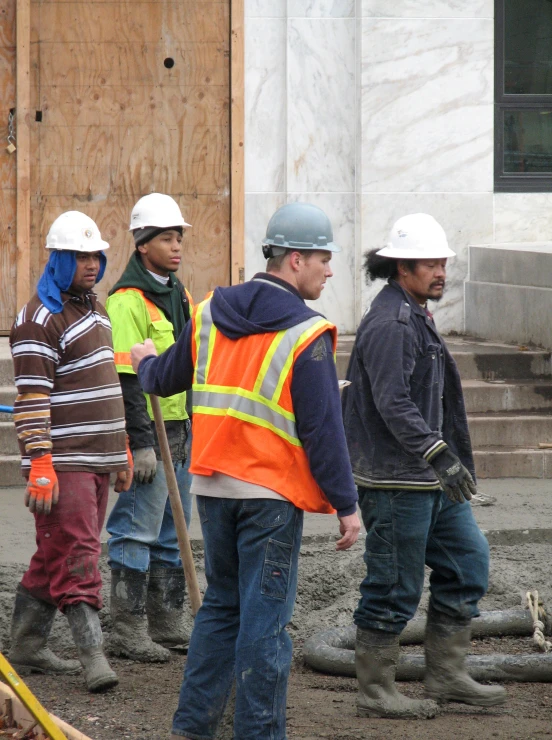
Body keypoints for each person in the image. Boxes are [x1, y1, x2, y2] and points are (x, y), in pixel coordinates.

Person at [130, 202, 361, 740]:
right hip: (270, 495)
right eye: (324, 259)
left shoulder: (211, 310)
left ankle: (192, 727)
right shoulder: (308, 334)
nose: (330, 270)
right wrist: (347, 505)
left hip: (212, 486)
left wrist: (143, 359)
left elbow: (162, 379)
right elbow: (323, 432)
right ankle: (259, 732)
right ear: (295, 259)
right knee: (266, 621)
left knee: (221, 608)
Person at [341, 213, 507, 719]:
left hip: (429, 479)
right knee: (393, 585)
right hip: (397, 481)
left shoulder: (413, 313)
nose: (440, 271)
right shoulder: (392, 323)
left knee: (467, 564)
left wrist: (447, 461)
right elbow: (392, 402)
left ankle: (446, 674)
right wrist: (439, 453)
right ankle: (375, 692)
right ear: (401, 268)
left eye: (442, 262)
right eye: (429, 263)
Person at [8, 211, 132, 693]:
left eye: (96, 256)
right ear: (57, 260)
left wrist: (119, 446)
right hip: (65, 460)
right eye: (79, 256)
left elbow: (107, 384)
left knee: (55, 550)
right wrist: (39, 461)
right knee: (79, 552)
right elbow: (32, 399)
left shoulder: (94, 310)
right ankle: (93, 657)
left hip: (98, 455)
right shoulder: (38, 318)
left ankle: (27, 645)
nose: (91, 264)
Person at [105, 193, 194, 662]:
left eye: (178, 236)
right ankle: (126, 629)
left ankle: (166, 624)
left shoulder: (177, 292)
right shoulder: (127, 301)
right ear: (143, 244)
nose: (176, 245)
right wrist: (140, 444)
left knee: (171, 532)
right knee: (136, 529)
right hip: (149, 433)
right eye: (165, 237)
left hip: (180, 429)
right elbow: (126, 377)